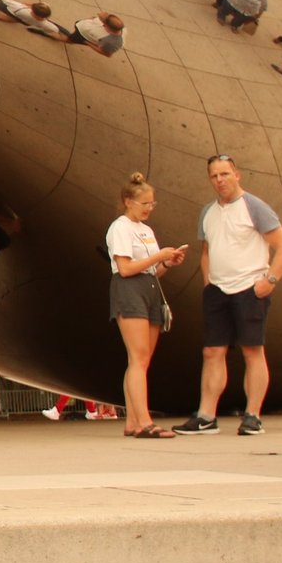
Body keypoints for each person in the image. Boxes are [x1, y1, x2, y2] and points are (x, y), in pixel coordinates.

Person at [177, 155, 282, 436]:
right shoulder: (208, 212)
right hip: (218, 290)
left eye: (225, 174)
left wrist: (270, 281)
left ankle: (253, 415)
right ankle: (206, 415)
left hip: (249, 289)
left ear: (237, 175)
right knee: (212, 351)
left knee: (252, 350)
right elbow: (206, 251)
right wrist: (208, 283)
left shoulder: (254, 207)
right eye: (215, 176)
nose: (220, 180)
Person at [106, 172, 187, 439]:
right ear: (128, 201)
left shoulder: (146, 230)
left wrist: (165, 262)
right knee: (139, 358)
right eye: (144, 204)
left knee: (141, 360)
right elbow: (125, 268)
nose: (148, 209)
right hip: (129, 289)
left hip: (150, 287)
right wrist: (158, 256)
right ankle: (144, 421)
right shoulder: (120, 227)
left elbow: (150, 269)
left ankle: (132, 419)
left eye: (152, 204)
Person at [0, 0, 65, 40]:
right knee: (15, 20)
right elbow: (55, 29)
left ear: (33, 11)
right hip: (24, 20)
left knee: (0, 5)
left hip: (15, 12)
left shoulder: (24, 11)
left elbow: (10, 3)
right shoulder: (45, 23)